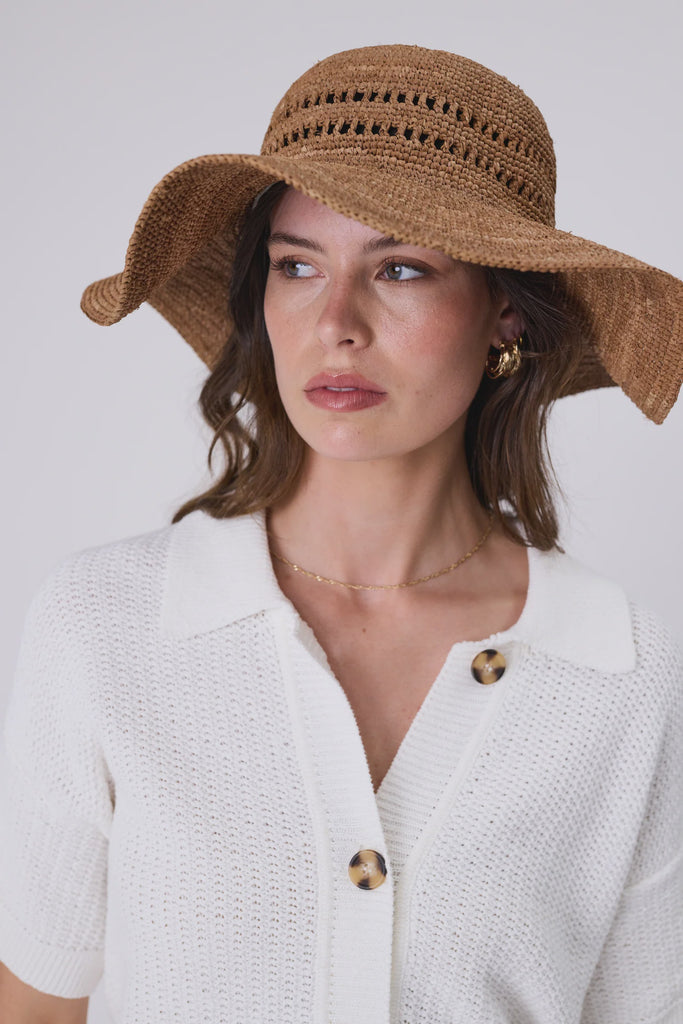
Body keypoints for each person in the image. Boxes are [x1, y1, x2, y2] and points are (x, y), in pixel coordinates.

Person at [0, 43, 681, 1024]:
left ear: (503, 315)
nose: (336, 322)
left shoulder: (622, 671)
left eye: (399, 267)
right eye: (294, 265)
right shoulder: (106, 625)